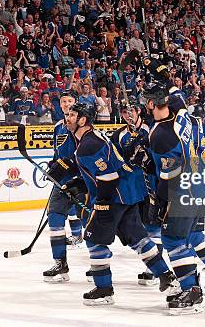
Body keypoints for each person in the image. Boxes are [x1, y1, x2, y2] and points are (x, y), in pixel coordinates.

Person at [66, 102, 177, 307]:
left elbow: (109, 176)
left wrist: (103, 204)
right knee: (138, 239)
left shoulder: (88, 145)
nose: (67, 117)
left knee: (93, 238)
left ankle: (104, 288)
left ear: (83, 120)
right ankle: (167, 277)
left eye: (72, 115)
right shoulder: (90, 138)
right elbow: (102, 170)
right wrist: (79, 181)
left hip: (116, 195)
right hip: (129, 192)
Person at [144, 82, 205, 315]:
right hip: (201, 183)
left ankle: (191, 290)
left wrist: (160, 201)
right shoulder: (186, 116)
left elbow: (169, 175)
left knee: (172, 239)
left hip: (183, 190)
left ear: (152, 103)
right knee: (192, 234)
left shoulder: (160, 134)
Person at [111, 97, 161, 286]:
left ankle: (154, 268)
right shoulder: (119, 135)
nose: (127, 115)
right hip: (132, 186)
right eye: (124, 112)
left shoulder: (151, 128)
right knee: (138, 227)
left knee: (153, 224)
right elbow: (114, 159)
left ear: (139, 111)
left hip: (151, 183)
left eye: (131, 111)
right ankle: (153, 262)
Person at [41, 89, 85, 283]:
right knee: (55, 218)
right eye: (64, 101)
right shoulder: (58, 126)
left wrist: (68, 165)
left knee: (93, 225)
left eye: (70, 101)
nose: (67, 104)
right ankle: (60, 263)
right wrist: (53, 166)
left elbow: (87, 154)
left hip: (84, 183)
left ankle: (98, 267)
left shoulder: (84, 126)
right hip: (63, 183)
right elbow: (58, 154)